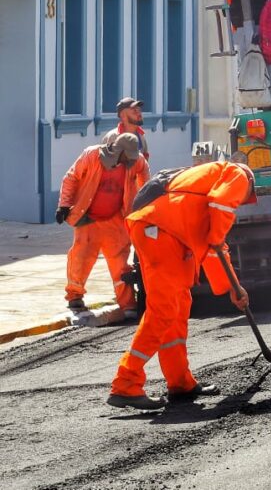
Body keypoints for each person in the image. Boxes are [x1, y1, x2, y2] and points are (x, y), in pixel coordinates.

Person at [108, 160, 256, 410]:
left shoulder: (203, 180)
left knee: (178, 305)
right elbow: (220, 207)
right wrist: (219, 243)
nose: (239, 203)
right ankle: (126, 383)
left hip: (161, 230)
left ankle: (180, 382)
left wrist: (233, 287)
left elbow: (213, 247)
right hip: (159, 230)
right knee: (164, 309)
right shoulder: (239, 175)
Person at [57, 133, 150, 317]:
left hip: (115, 218)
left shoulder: (135, 161)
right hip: (88, 217)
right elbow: (71, 178)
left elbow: (145, 177)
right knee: (80, 257)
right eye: (127, 156)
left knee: (120, 264)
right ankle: (74, 297)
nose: (130, 160)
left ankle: (128, 304)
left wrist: (145, 205)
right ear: (119, 151)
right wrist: (64, 205)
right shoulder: (91, 155)